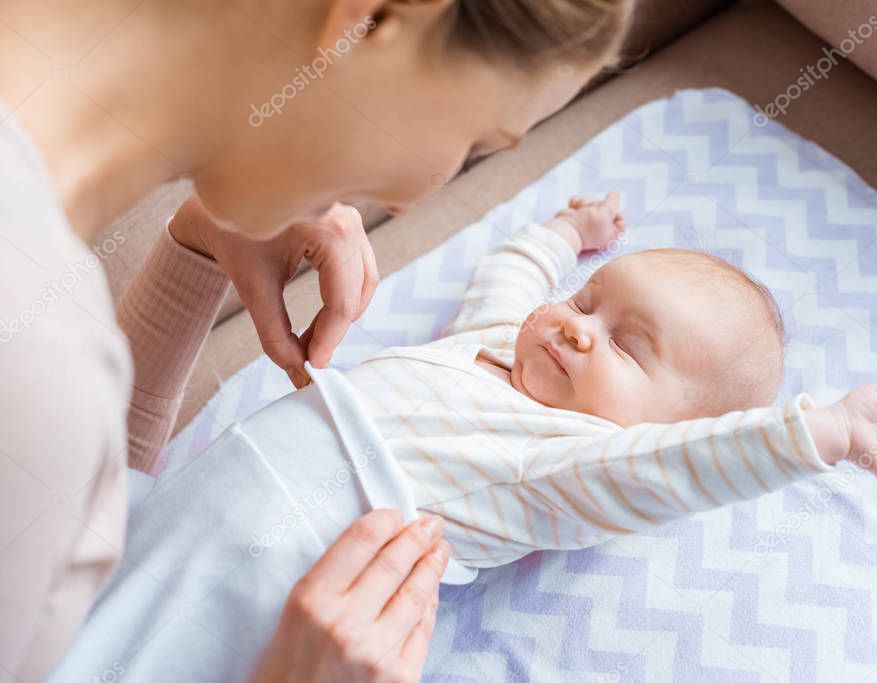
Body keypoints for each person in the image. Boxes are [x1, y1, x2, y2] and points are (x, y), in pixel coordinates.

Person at [46, 193, 877, 681]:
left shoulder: (560, 464)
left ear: (660, 428)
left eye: (627, 346)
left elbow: (686, 468)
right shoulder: (493, 347)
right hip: (145, 532)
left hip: (255, 588)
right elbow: (509, 282)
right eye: (590, 302)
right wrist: (561, 237)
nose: (578, 327)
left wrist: (815, 432)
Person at [0, 1, 636, 680]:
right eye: (478, 141)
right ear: (379, 17)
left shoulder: (44, 355)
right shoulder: (39, 363)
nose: (412, 200)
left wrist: (196, 253)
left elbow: (52, 542)